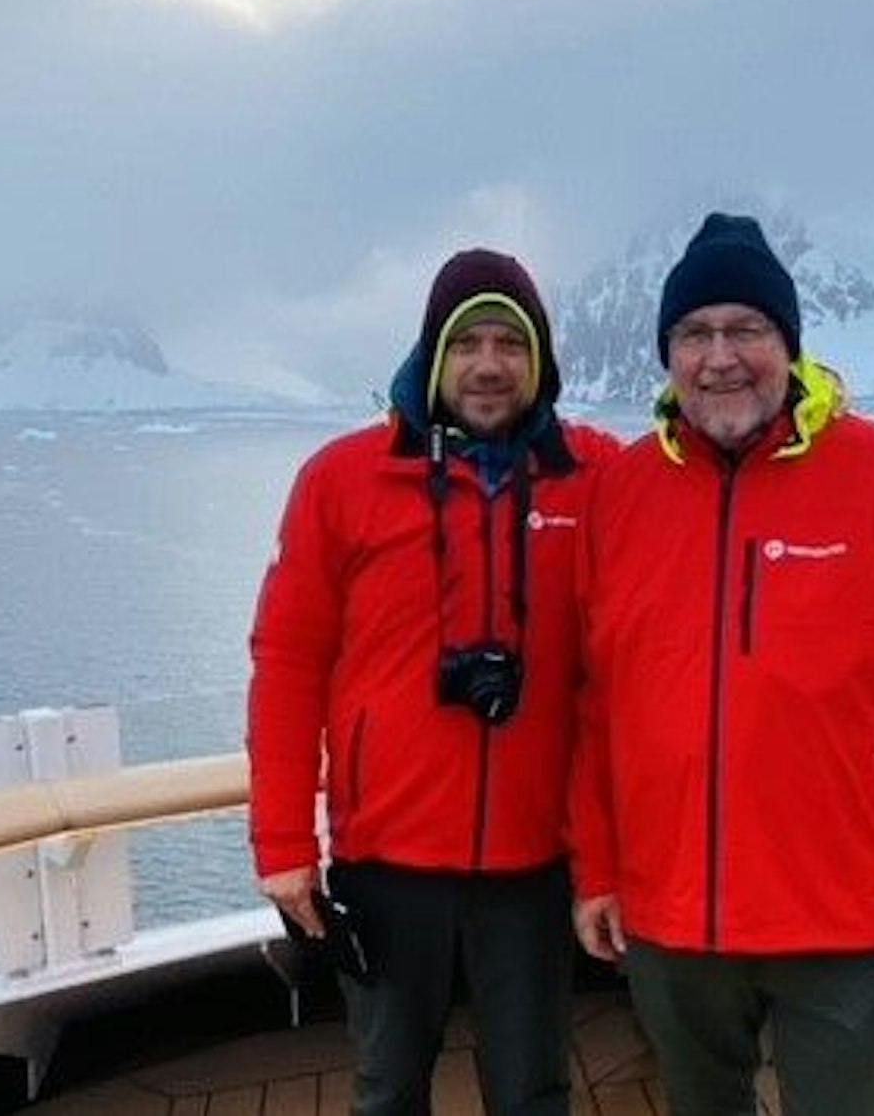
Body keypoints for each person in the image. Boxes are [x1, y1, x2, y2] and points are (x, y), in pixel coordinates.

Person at [568, 212, 874, 1116]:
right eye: (694, 333)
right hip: (673, 913)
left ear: (790, 343)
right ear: (666, 354)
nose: (720, 358)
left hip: (847, 915)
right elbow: (595, 704)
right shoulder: (621, 493)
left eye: (747, 329)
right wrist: (599, 868)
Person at [248, 248, 617, 1116]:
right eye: (466, 343)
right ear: (431, 353)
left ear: (540, 359)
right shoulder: (344, 480)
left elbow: (704, 483)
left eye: (511, 343)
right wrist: (283, 843)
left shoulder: (595, 477)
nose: (489, 365)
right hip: (387, 856)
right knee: (388, 1089)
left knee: (533, 1091)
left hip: (534, 858)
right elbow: (288, 663)